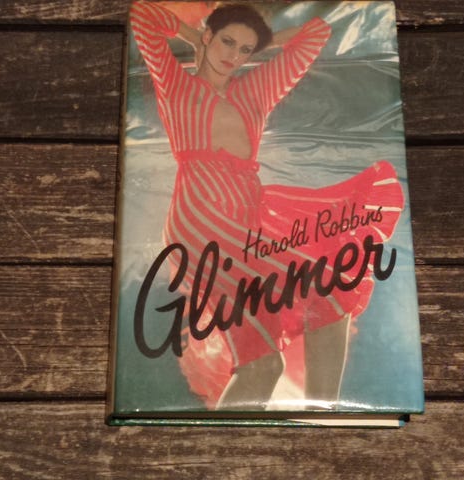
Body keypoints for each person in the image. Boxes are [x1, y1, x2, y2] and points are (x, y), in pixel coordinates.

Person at [129, 1, 404, 410]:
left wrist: (262, 43)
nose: (233, 56)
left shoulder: (253, 91)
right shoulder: (175, 83)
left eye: (244, 50)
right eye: (227, 42)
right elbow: (142, 16)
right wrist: (194, 38)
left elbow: (316, 34)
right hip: (202, 220)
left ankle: (321, 419)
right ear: (209, 36)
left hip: (250, 217)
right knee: (301, 314)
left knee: (299, 327)